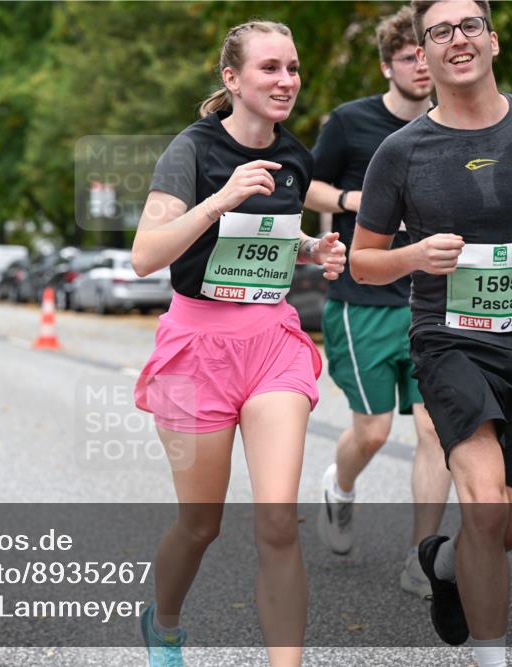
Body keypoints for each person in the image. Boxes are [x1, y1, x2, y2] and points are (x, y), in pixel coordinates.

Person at [350, 1, 512, 665]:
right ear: (423, 54)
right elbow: (363, 260)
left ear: (491, 39)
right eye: (439, 32)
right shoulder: (400, 152)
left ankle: (442, 561)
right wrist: (412, 255)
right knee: (484, 507)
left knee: (507, 529)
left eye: (469, 26)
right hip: (449, 342)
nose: (456, 40)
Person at [130, 20, 346, 667]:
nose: (287, 81)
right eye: (270, 68)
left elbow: (272, 235)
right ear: (232, 79)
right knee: (201, 524)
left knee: (278, 521)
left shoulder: (295, 156)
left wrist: (312, 249)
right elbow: (146, 255)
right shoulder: (190, 152)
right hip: (196, 347)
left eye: (293, 68)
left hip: (271, 339)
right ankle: (163, 624)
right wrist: (218, 200)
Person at [304, 6, 451, 597]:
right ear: (388, 64)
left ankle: (422, 558)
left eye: (426, 53)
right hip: (362, 300)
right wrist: (350, 198)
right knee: (372, 431)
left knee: (436, 431)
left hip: (433, 302)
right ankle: (338, 489)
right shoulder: (351, 121)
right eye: (408, 56)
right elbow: (304, 184)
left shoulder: (454, 124)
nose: (421, 64)